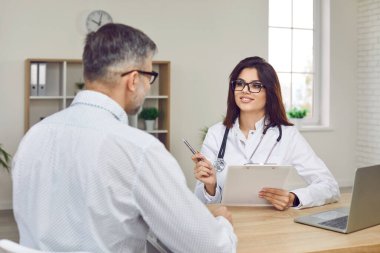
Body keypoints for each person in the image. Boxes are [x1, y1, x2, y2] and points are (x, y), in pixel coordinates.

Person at [12, 23, 237, 253]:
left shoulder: (33, 137)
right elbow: (209, 248)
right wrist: (222, 223)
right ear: (133, 80)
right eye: (150, 77)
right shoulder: (138, 150)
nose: (149, 87)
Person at [192, 56, 340, 210]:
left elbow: (329, 186)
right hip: (227, 223)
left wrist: (293, 198)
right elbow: (200, 201)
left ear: (269, 92)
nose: (245, 90)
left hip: (270, 225)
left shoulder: (287, 135)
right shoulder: (216, 134)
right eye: (240, 83)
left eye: (255, 85)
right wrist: (210, 186)